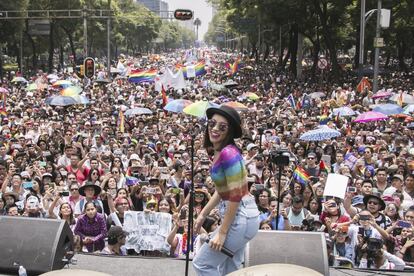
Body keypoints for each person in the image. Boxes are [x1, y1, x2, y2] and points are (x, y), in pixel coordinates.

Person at [193, 105, 260, 276]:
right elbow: (222, 191)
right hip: (243, 216)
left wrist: (222, 232)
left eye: (222, 127)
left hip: (240, 217)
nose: (214, 129)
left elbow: (235, 196)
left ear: (229, 131)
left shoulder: (228, 154)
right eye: (212, 124)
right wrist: (202, 214)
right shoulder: (220, 152)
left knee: (202, 264)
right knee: (229, 269)